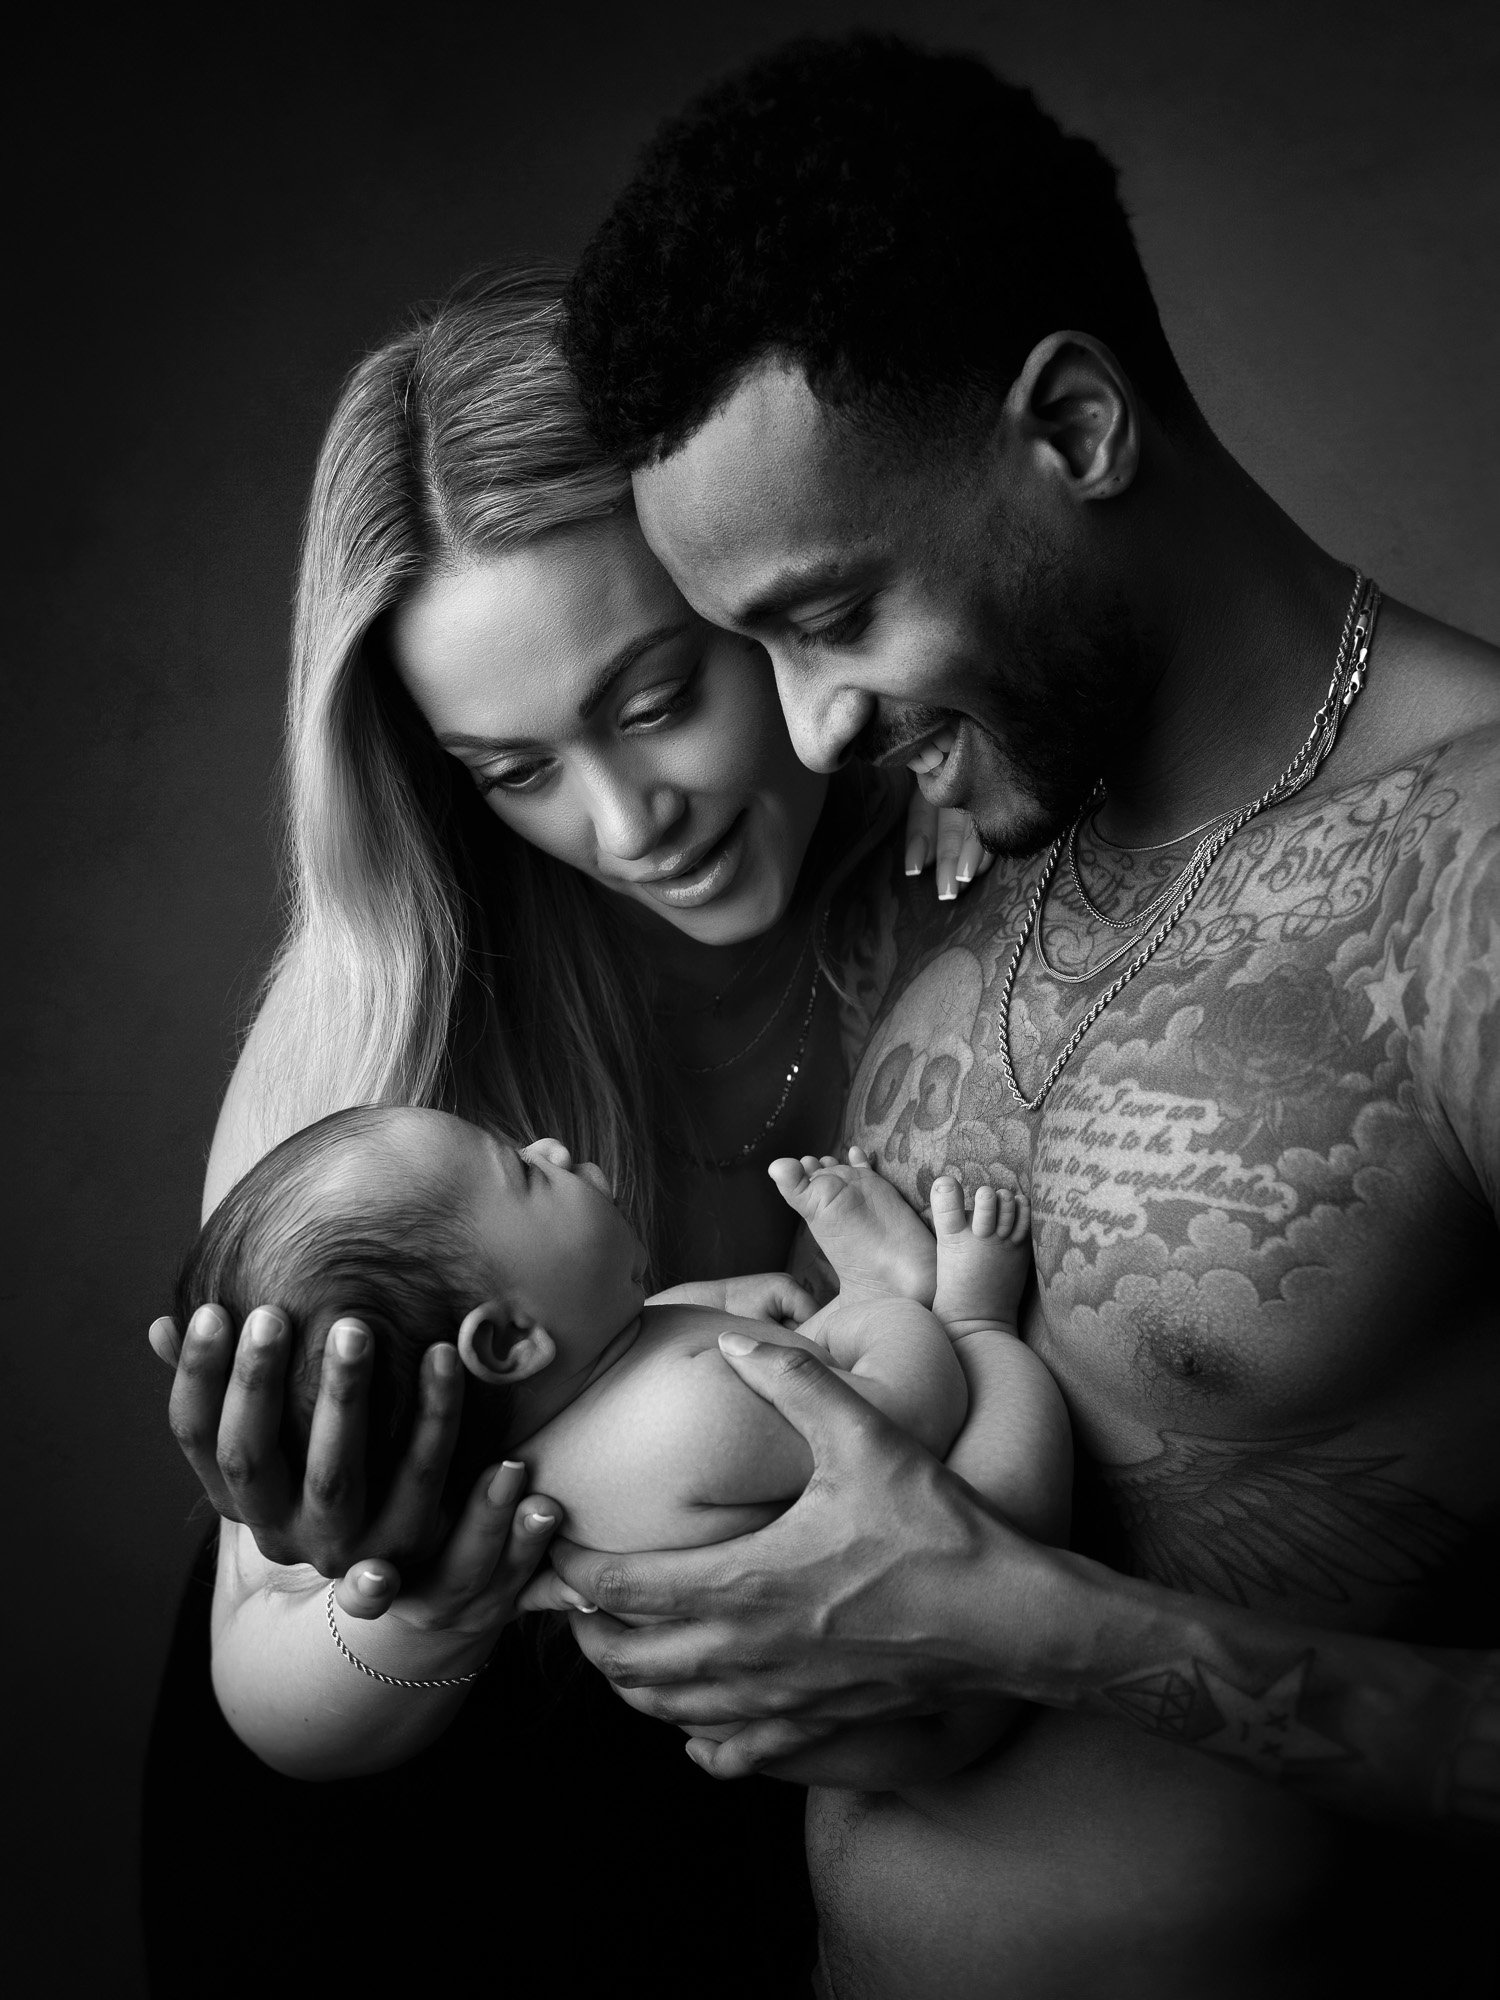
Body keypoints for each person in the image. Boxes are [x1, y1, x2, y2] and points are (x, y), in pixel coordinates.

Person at [532, 32, 1500, 1997]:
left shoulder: (1475, 872)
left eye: (829, 615)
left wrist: (1038, 1627)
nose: (807, 726)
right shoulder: (969, 833)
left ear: (1072, 423)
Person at [143, 265, 986, 1998]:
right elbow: (271, 1679)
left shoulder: (978, 883)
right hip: (423, 1861)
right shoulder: (389, 1030)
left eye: (655, 695)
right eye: (514, 768)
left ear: (771, 582)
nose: (626, 822)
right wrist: (400, 1601)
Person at [178, 1100, 1061, 1786]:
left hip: (840, 1693)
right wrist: (884, 1306)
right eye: (524, 1175)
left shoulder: (579, 1402)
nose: (552, 1150)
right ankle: (976, 1316)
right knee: (989, 1401)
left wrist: (726, 1302)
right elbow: (911, 1417)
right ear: (507, 1343)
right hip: (947, 1691)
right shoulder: (684, 1422)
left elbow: (659, 1321)